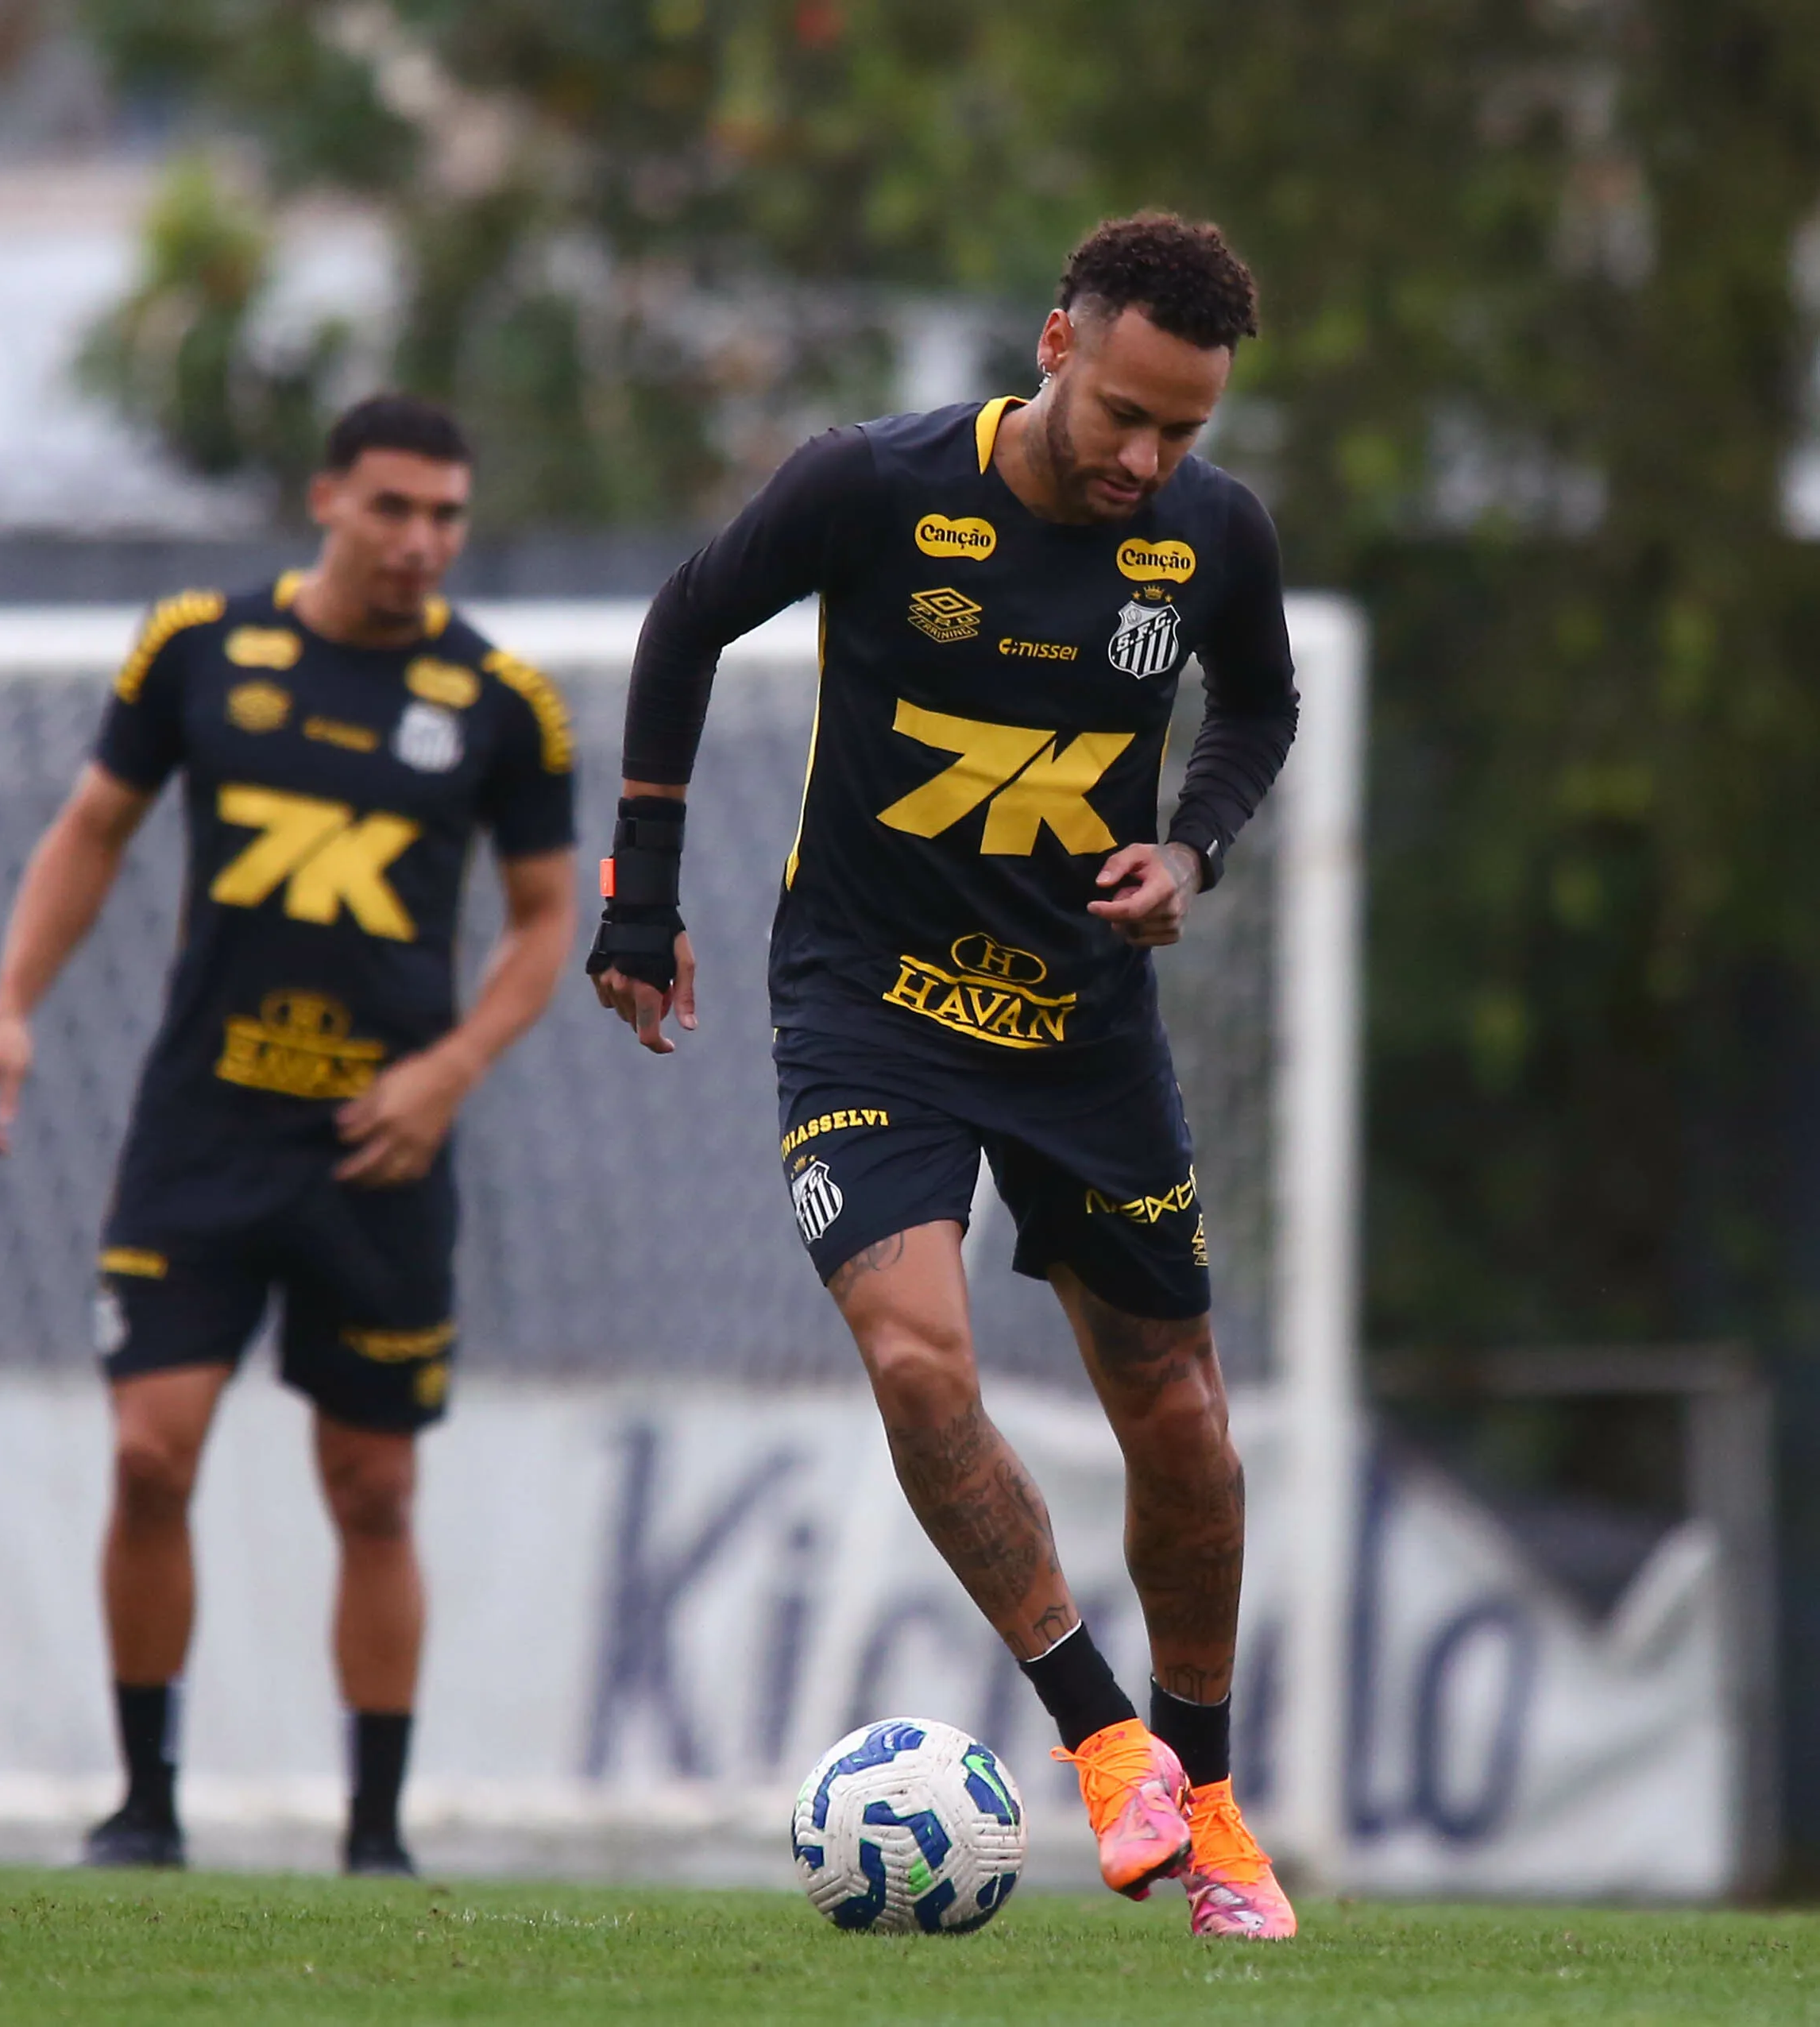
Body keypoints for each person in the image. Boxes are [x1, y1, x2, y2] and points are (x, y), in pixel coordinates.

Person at [589, 214, 1300, 1940]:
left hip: (1079, 1024)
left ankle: (1206, 1800)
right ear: (1054, 344)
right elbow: (682, 627)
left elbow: (1258, 710)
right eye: (1126, 412)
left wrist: (1190, 855)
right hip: (868, 1008)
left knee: (1184, 1426)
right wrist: (644, 893)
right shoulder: (871, 486)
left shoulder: (1209, 536)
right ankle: (1098, 1738)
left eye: (1182, 430)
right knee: (916, 1365)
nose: (1147, 458)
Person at [0, 395, 578, 1878]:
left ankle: (373, 1829)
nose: (421, 541)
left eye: (445, 515)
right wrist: (9, 1009)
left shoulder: (500, 700)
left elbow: (548, 919)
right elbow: (92, 827)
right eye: (393, 509)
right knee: (151, 1452)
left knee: (372, 1487)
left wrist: (451, 1070)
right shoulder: (197, 647)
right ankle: (145, 1803)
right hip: (204, 1129)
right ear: (325, 501)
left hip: (380, 1151)